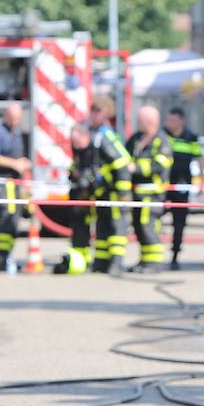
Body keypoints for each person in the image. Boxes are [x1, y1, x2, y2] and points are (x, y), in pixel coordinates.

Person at [87, 96, 133, 274]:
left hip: (114, 193)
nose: (92, 115)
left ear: (105, 113)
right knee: (102, 227)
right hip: (102, 192)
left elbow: (122, 163)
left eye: (96, 111)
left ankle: (116, 263)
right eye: (92, 111)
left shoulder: (107, 136)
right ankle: (101, 262)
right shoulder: (96, 134)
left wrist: (122, 192)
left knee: (117, 228)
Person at [124, 106, 173, 272]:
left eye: (140, 120)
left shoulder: (162, 140)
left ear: (151, 121)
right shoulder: (136, 138)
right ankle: (144, 261)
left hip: (153, 195)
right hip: (137, 194)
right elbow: (126, 156)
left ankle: (154, 263)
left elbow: (160, 165)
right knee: (139, 227)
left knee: (148, 226)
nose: (137, 122)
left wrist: (135, 168)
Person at [0, 102, 32, 272]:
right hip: (3, 184)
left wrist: (24, 164)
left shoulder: (16, 132)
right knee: (5, 220)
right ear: (5, 115)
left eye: (17, 119)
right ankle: (1, 260)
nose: (14, 122)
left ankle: (8, 258)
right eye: (12, 119)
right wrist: (14, 164)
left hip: (15, 184)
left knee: (13, 222)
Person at [54, 123, 96, 275]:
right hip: (77, 197)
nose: (75, 144)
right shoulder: (78, 151)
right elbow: (74, 168)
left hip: (89, 197)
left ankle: (86, 258)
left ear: (86, 136)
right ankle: (80, 258)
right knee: (78, 229)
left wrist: (85, 178)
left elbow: (94, 172)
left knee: (89, 229)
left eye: (77, 140)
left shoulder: (93, 150)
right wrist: (73, 174)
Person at [164, 107, 201, 270]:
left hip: (182, 185)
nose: (169, 123)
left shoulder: (191, 137)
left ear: (181, 120)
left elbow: (200, 159)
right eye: (168, 120)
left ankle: (175, 256)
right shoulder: (163, 135)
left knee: (179, 222)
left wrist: (202, 183)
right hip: (163, 184)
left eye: (172, 120)